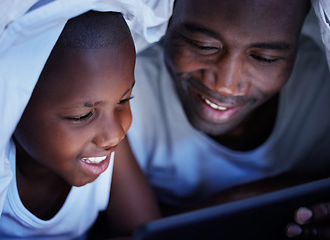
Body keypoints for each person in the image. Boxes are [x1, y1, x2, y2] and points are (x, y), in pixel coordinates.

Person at [127, 0, 330, 238]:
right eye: (201, 45)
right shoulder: (125, 93)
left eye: (265, 58)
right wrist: (252, 199)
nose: (226, 83)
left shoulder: (322, 90)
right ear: (168, 22)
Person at [0, 10, 160, 240]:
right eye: (82, 115)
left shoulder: (102, 150)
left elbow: (147, 233)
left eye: (124, 100)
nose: (114, 135)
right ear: (13, 105)